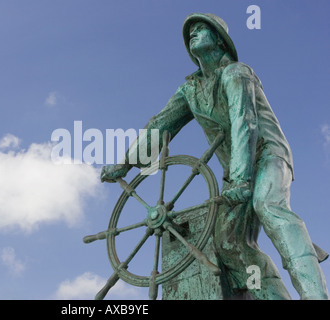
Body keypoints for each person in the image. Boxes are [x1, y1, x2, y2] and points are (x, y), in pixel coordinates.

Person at [100, 13, 329, 300]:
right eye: (189, 33)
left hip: (266, 155)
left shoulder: (237, 73)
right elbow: (160, 126)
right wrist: (125, 164)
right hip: (234, 174)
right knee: (229, 244)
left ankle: (315, 294)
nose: (192, 35)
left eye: (200, 29)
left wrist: (243, 179)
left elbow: (244, 121)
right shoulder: (190, 90)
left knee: (267, 206)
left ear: (219, 40)